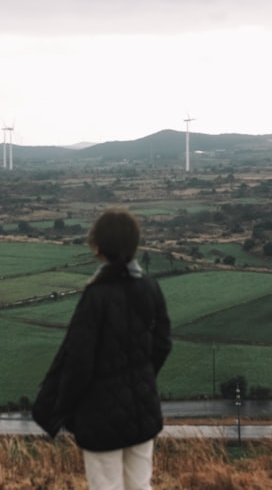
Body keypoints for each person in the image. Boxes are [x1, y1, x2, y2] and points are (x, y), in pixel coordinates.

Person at [33, 208, 172, 490]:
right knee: (140, 485)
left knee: (106, 487)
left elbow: (78, 360)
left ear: (98, 248)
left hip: (99, 415)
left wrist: (64, 408)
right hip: (143, 410)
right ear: (134, 245)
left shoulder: (96, 296)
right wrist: (142, 377)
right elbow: (163, 344)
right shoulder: (150, 287)